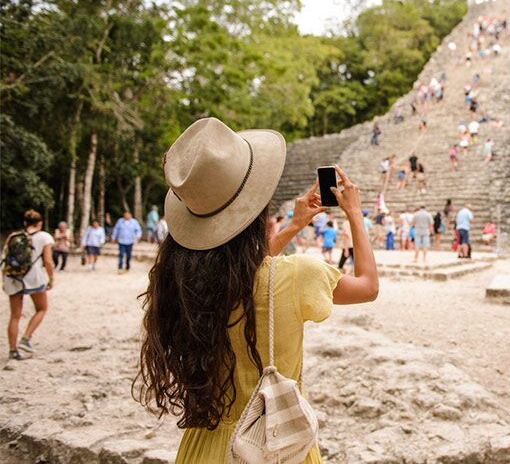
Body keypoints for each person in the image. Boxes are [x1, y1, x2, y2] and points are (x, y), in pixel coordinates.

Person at [133, 118, 377, 463]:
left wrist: (293, 225)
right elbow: (368, 286)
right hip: (273, 445)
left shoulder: (182, 281)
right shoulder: (296, 275)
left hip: (204, 444)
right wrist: (354, 212)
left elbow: (244, 270)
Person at [3, 210, 54, 360]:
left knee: (15, 316)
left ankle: (12, 350)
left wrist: (4, 280)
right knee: (42, 308)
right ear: (40, 223)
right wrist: (51, 279)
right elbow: (48, 261)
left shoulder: (13, 237)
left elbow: (5, 259)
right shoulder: (44, 237)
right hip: (34, 278)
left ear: (25, 223)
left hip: (13, 278)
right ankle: (26, 338)